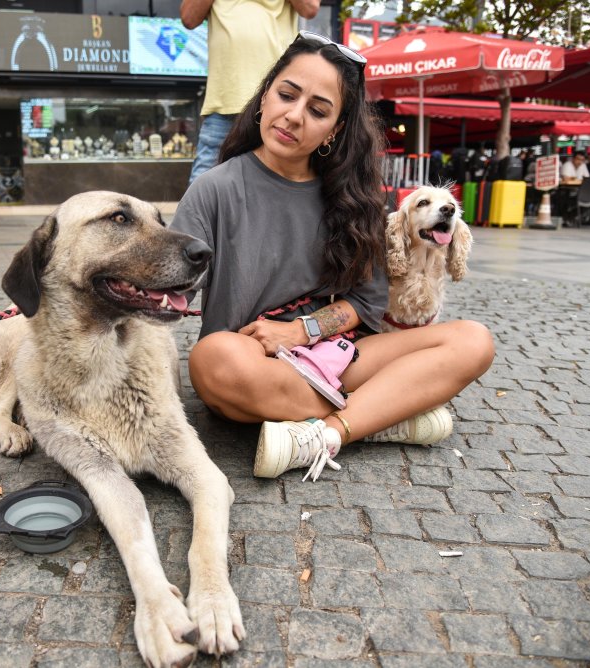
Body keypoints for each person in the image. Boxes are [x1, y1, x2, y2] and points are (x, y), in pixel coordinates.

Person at [169, 33, 495, 481]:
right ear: (265, 96)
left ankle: (331, 430)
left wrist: (299, 331)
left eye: (318, 110)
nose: (294, 116)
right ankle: (381, 415)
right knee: (211, 359)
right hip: (256, 368)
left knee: (473, 340)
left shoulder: (354, 200)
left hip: (343, 358)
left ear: (336, 129)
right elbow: (170, 282)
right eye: (286, 95)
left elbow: (367, 305)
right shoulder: (214, 190)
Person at [181, 0, 319, 185]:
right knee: (200, 186)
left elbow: (310, 8)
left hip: (275, 105)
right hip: (224, 103)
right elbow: (189, 18)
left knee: (272, 186)